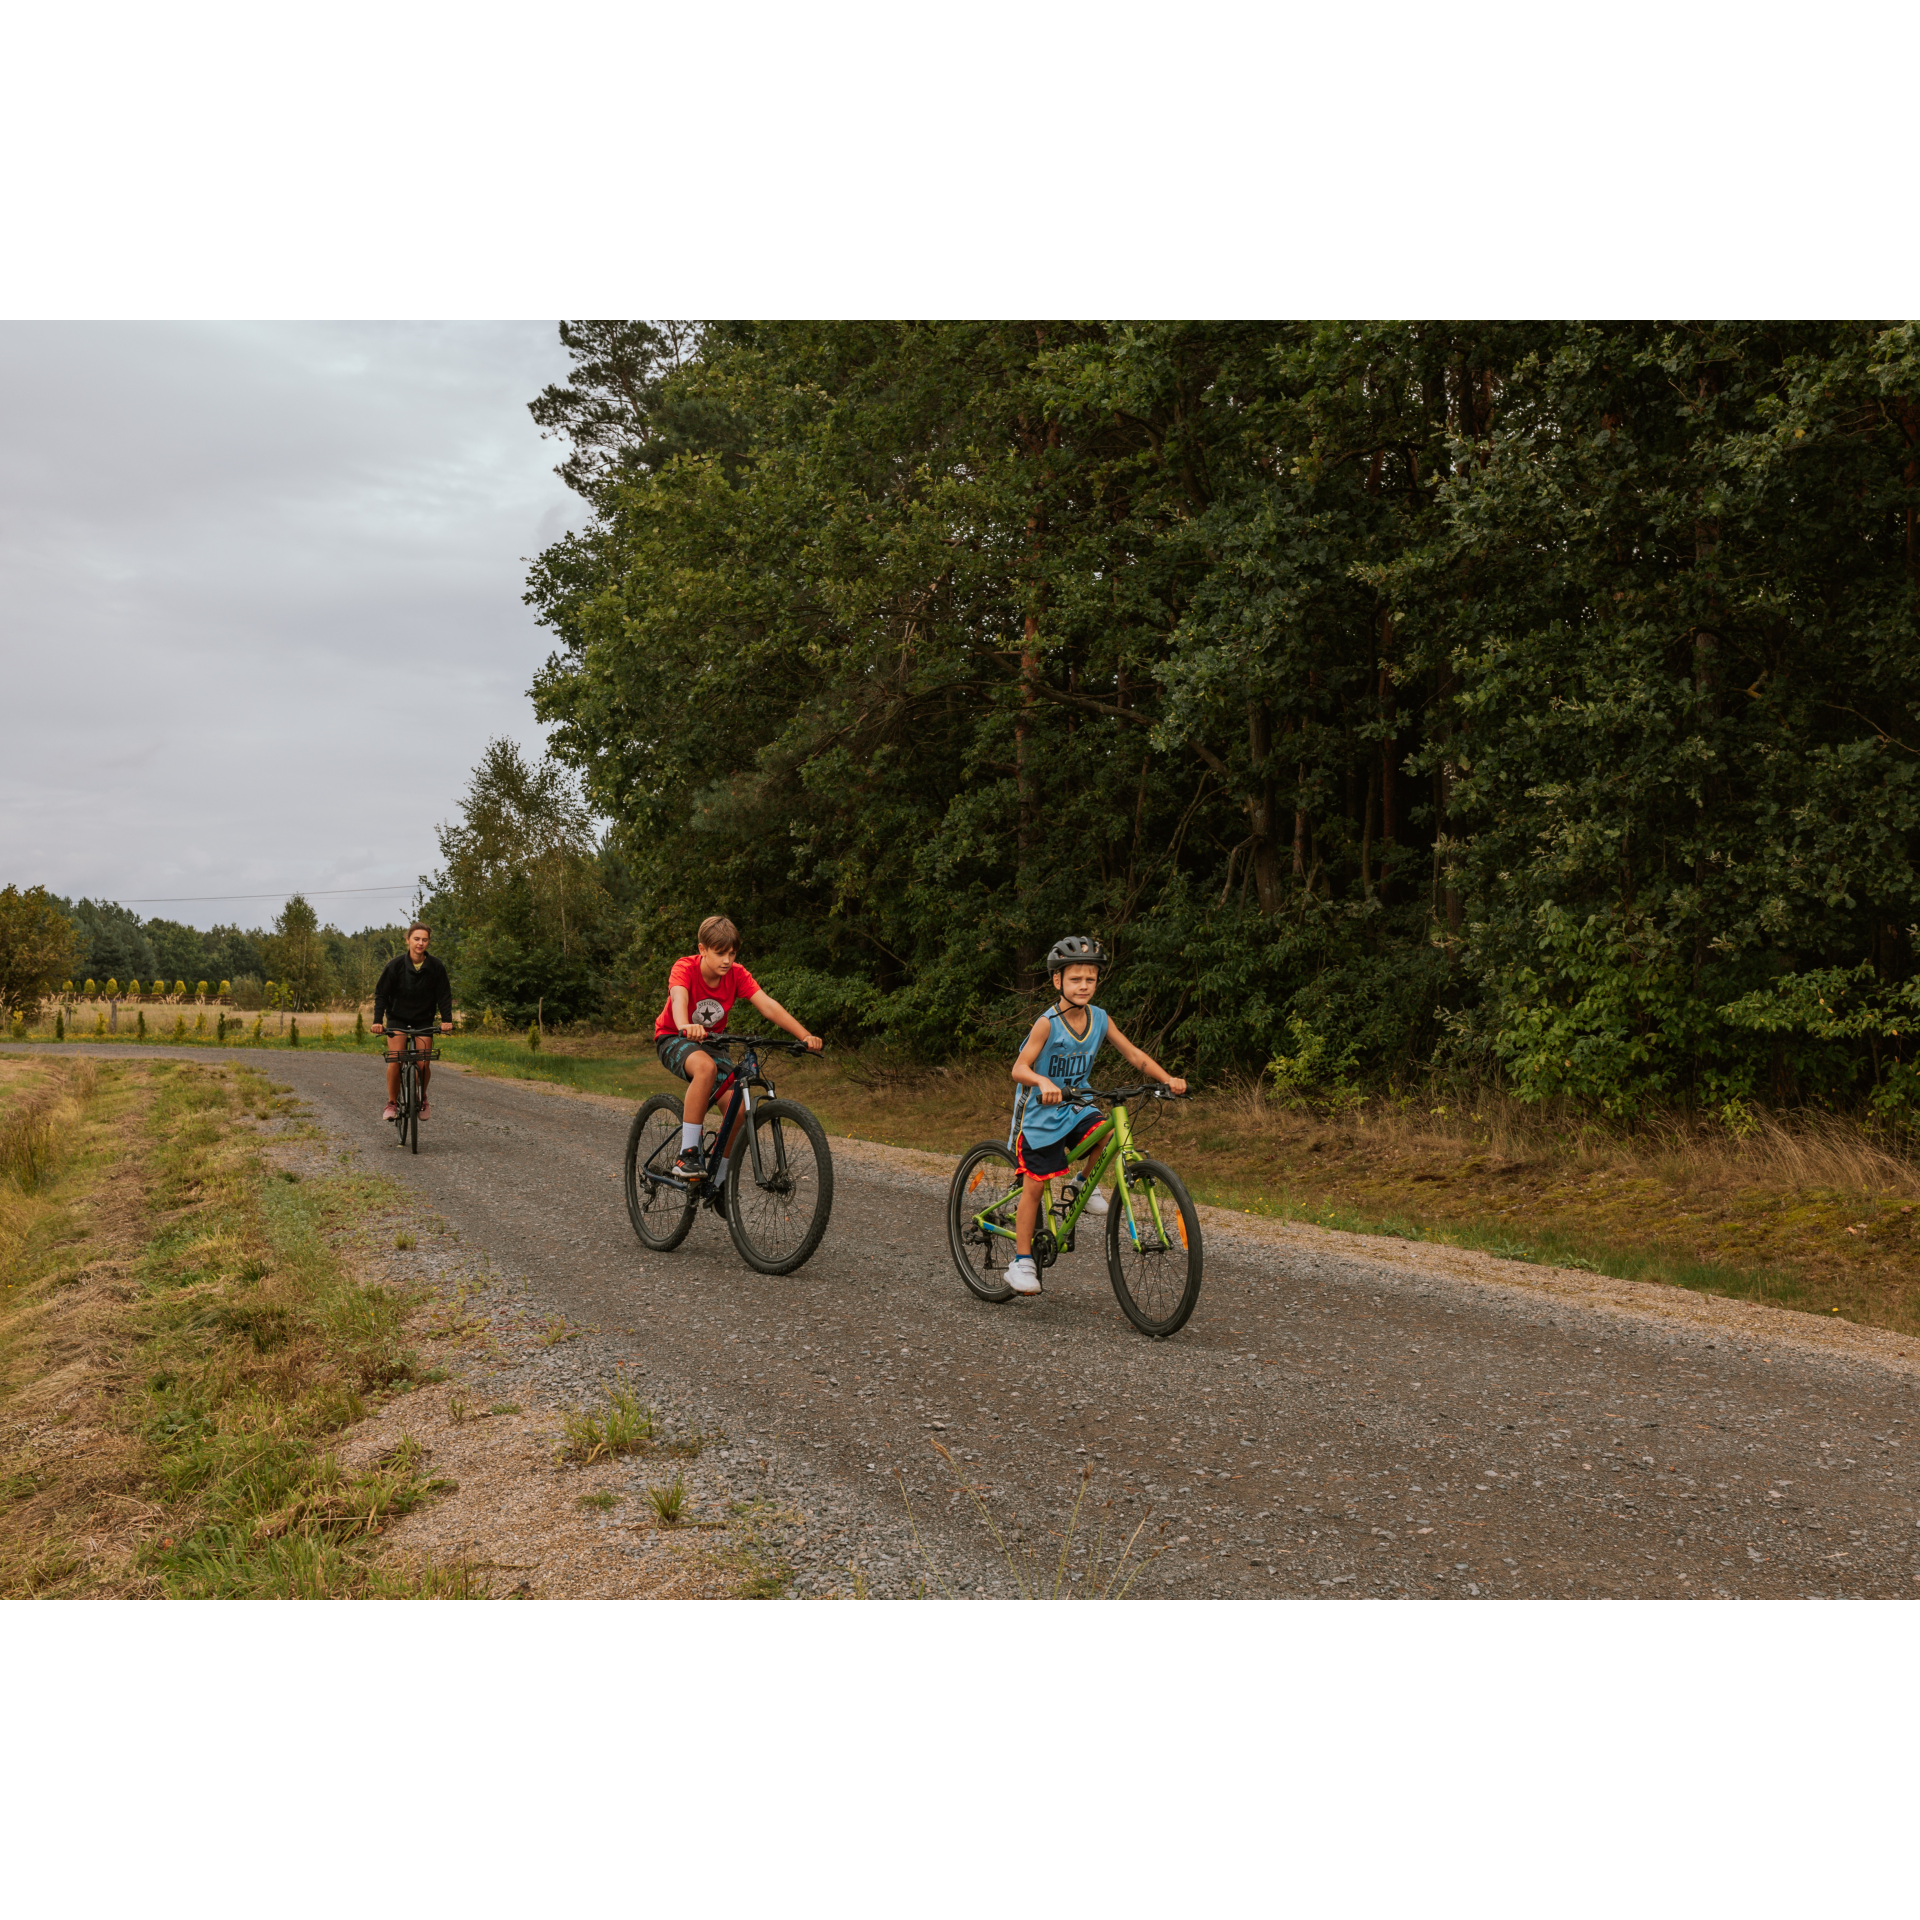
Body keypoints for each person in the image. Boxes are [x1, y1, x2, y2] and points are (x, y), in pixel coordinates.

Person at [1004, 934, 1186, 1297]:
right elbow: (1019, 1069)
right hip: (1041, 1115)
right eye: (1075, 979)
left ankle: (1080, 1184)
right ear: (1058, 981)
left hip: (1075, 1106)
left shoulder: (1100, 1019)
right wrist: (1042, 1080)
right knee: (1035, 1185)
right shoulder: (1047, 1023)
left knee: (1107, 1130)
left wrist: (1167, 1079)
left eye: (1090, 979)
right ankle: (1022, 1261)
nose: (1084, 985)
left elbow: (1134, 1055)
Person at [654, 914, 822, 1184]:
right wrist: (685, 1023)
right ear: (702, 950)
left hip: (713, 1043)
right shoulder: (685, 967)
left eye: (732, 953)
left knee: (741, 1111)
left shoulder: (737, 974)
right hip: (674, 1035)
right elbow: (678, 997)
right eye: (720, 953)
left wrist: (804, 1035)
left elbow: (767, 1005)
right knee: (705, 1068)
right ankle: (687, 1154)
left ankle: (720, 1182)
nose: (727, 960)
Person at [372, 923, 453, 1121]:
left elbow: (443, 995)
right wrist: (377, 1021)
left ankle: (422, 1097)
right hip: (397, 1018)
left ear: (428, 942)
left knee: (424, 1063)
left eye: (424, 940)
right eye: (416, 939)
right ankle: (392, 1103)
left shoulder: (436, 966)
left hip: (423, 1019)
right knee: (396, 1060)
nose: (420, 943)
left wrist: (446, 1020)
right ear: (408, 940)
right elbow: (381, 994)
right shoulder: (395, 966)